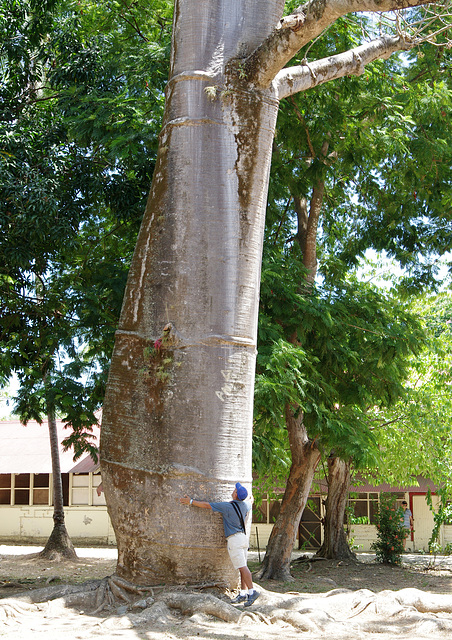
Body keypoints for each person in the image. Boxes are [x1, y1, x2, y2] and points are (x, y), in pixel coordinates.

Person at [180, 483, 260, 606]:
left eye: (235, 490)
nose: (234, 490)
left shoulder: (227, 506)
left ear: (236, 494)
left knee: (243, 567)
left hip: (235, 540)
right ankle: (243, 594)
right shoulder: (245, 505)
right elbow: (251, 501)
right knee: (242, 566)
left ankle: (252, 591)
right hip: (243, 538)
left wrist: (191, 501)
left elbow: (207, 505)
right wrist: (251, 497)